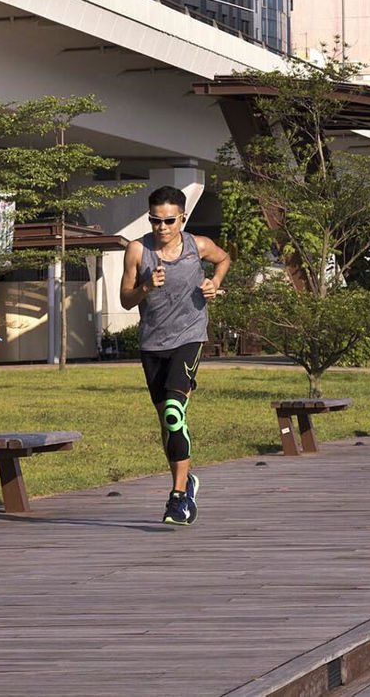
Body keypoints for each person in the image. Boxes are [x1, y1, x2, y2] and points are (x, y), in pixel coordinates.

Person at [119, 186, 230, 527]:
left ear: (182, 218)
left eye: (169, 220)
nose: (162, 227)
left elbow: (224, 258)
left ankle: (178, 499)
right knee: (169, 426)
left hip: (190, 337)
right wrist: (145, 287)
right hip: (153, 345)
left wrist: (214, 281)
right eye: (156, 220)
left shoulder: (197, 246)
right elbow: (125, 300)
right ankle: (186, 482)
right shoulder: (138, 251)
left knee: (172, 412)